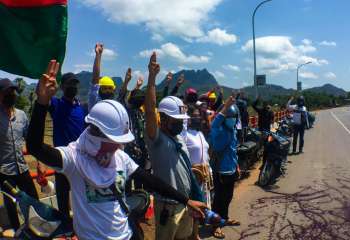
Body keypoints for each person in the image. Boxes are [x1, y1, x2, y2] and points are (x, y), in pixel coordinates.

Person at [26, 59, 207, 240]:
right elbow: (35, 147)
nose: (120, 146)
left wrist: (186, 200)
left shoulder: (120, 157)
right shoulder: (75, 158)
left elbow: (151, 181)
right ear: (98, 133)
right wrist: (42, 103)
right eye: (115, 140)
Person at [145, 52, 205, 240]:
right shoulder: (157, 140)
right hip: (167, 207)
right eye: (176, 120)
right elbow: (149, 109)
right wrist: (152, 79)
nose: (180, 124)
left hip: (186, 203)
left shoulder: (179, 138)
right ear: (163, 119)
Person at [0, 78, 39, 231]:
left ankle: (35, 229)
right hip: (4, 172)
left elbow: (31, 142)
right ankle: (18, 232)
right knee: (10, 206)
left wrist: (39, 163)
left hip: (22, 168)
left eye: (13, 91)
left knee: (33, 200)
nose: (12, 94)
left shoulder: (22, 115)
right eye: (8, 92)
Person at [48, 72, 87, 225]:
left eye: (75, 84)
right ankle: (66, 226)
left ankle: (82, 224)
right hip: (62, 160)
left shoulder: (82, 108)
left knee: (82, 195)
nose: (73, 87)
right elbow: (43, 96)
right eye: (69, 84)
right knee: (63, 197)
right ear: (62, 86)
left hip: (80, 161)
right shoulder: (56, 104)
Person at [210, 96, 241, 239]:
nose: (233, 119)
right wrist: (225, 109)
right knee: (219, 200)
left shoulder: (232, 130)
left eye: (235, 117)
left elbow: (233, 151)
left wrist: (237, 166)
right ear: (224, 118)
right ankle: (215, 225)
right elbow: (214, 124)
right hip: (220, 171)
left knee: (228, 196)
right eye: (230, 117)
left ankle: (225, 218)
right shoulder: (219, 130)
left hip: (231, 170)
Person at [117, 68, 151, 191]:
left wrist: (137, 87)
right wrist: (126, 82)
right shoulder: (126, 110)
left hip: (141, 153)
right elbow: (121, 97)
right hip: (129, 153)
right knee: (127, 183)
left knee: (139, 184)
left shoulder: (139, 112)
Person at [185, 105, 213, 240]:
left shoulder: (200, 134)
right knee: (193, 205)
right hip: (193, 175)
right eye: (194, 116)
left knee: (200, 204)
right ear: (188, 119)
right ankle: (191, 234)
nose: (197, 118)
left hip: (204, 174)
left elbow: (205, 153)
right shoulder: (184, 135)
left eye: (198, 116)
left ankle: (195, 232)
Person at [88, 43, 117, 111]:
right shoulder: (95, 100)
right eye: (104, 88)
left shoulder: (114, 105)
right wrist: (98, 54)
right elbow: (95, 79)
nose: (107, 91)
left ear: (113, 90)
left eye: (110, 88)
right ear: (99, 89)